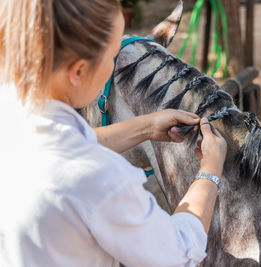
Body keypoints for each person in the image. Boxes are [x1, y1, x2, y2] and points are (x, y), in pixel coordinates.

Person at [0, 0, 227, 266]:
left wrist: (147, 126)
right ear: (78, 71)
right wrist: (210, 171)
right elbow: (177, 253)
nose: (112, 65)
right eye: (111, 56)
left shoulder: (11, 113)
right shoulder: (101, 179)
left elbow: (67, 145)